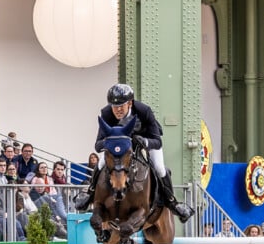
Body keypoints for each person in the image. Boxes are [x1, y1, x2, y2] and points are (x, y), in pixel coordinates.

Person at [74, 83, 194, 222]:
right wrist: (111, 142)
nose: (117, 110)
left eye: (121, 106)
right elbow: (98, 144)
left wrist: (144, 141)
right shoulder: (106, 113)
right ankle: (89, 194)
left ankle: (173, 202)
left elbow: (157, 141)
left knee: (160, 169)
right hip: (119, 149)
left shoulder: (144, 111)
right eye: (114, 106)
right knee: (101, 164)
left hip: (146, 142)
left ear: (130, 103)